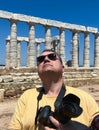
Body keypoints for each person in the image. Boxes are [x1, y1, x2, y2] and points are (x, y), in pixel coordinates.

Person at [8, 49, 99, 130]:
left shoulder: (84, 97)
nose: (46, 59)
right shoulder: (26, 96)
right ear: (37, 69)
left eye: (52, 57)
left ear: (63, 68)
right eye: (40, 59)